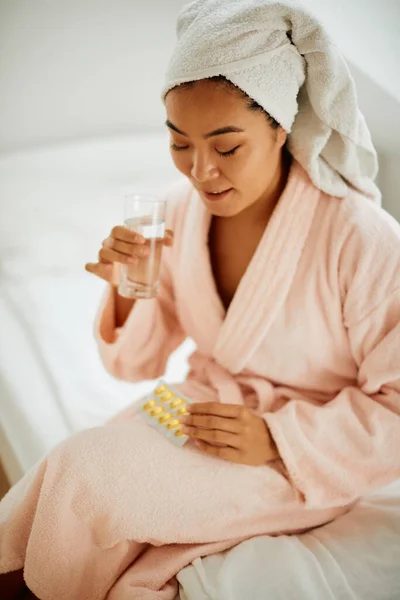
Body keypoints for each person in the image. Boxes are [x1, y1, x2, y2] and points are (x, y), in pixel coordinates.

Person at [1, 1, 400, 599]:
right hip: (192, 404)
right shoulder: (182, 213)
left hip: (294, 454)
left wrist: (276, 438)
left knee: (86, 483)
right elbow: (133, 366)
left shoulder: (360, 235)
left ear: (279, 128)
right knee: (72, 466)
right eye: (180, 144)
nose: (201, 171)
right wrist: (127, 288)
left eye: (226, 146)